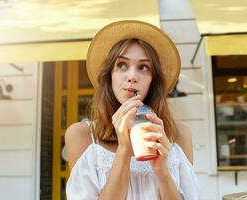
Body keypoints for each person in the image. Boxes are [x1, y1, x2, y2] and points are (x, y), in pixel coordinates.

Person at [65, 20, 200, 200]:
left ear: (153, 79)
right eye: (121, 65)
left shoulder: (179, 135)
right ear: (109, 75)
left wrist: (162, 171)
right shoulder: (81, 135)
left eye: (143, 67)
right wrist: (124, 150)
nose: (132, 77)